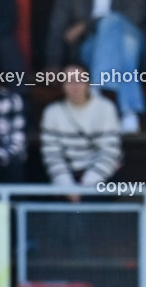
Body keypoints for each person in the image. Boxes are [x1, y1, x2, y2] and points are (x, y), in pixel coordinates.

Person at [46, 0, 146, 133]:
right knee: (124, 50)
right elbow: (58, 20)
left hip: (131, 36)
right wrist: (53, 62)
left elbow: (135, 15)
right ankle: (129, 112)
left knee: (115, 25)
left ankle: (97, 95)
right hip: (90, 45)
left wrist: (86, 24)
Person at [40, 63, 121, 199]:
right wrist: (68, 186)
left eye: (80, 80)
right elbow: (52, 155)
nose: (75, 86)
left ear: (88, 83)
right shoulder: (52, 113)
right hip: (65, 175)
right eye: (69, 81)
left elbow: (110, 152)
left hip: (99, 175)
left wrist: (87, 186)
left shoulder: (105, 108)